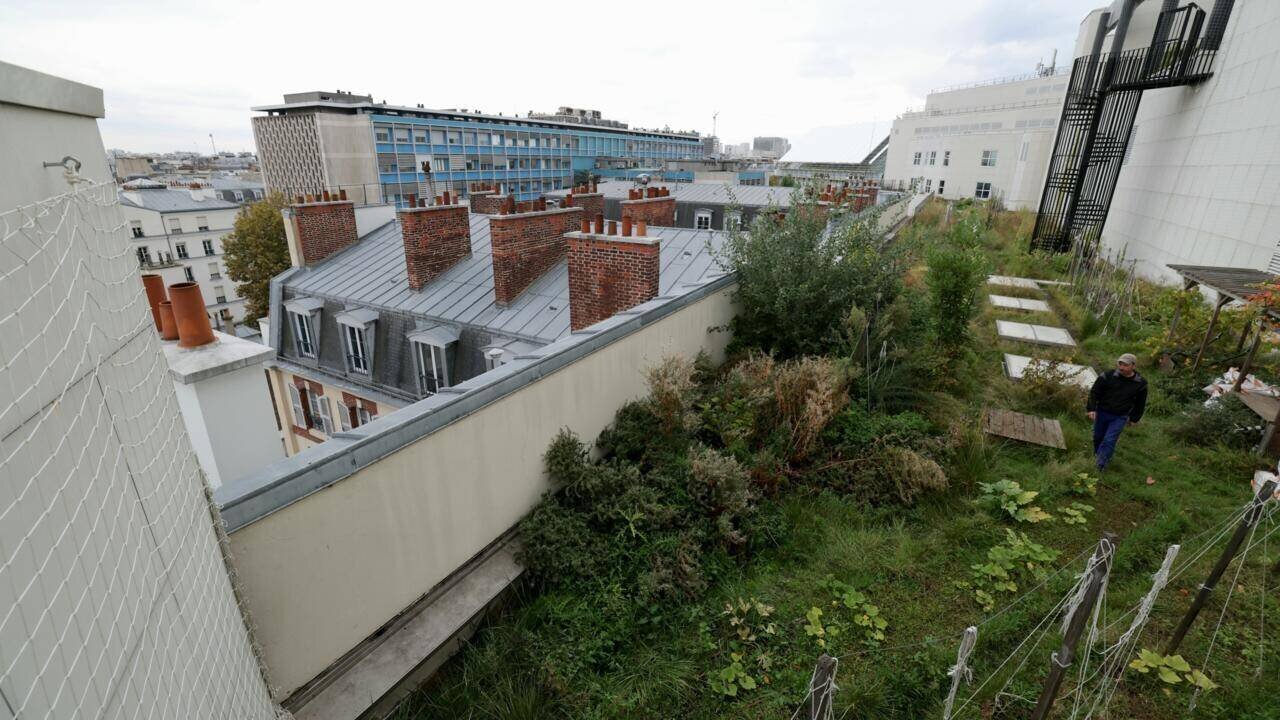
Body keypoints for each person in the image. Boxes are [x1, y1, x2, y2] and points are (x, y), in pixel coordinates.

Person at [1087, 353, 1148, 472]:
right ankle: (1098, 455)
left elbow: (1140, 403)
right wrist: (1092, 409)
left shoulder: (1140, 384)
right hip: (1102, 411)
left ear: (1133, 366)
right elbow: (1094, 392)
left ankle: (1099, 465)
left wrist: (1134, 418)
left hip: (1120, 416)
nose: (1121, 367)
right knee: (1098, 437)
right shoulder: (1107, 376)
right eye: (1120, 364)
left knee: (1109, 440)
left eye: (1125, 365)